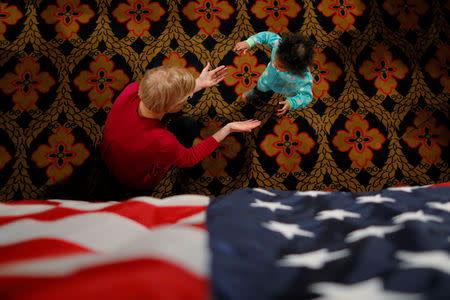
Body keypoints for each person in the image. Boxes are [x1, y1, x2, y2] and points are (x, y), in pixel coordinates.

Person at [100, 63, 261, 192]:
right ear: (171, 108)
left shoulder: (132, 89)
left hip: (111, 153)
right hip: (137, 180)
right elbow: (190, 158)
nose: (188, 97)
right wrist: (228, 128)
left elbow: (164, 94)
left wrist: (198, 83)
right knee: (187, 125)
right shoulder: (163, 140)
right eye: (186, 98)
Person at [233, 31, 315, 116]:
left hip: (287, 88)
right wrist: (249, 42)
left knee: (285, 103)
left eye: (281, 66)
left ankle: (284, 105)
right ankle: (255, 92)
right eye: (275, 57)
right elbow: (266, 36)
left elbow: (306, 96)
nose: (275, 64)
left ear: (295, 69)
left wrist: (291, 103)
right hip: (267, 77)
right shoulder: (278, 45)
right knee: (260, 86)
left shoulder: (303, 79)